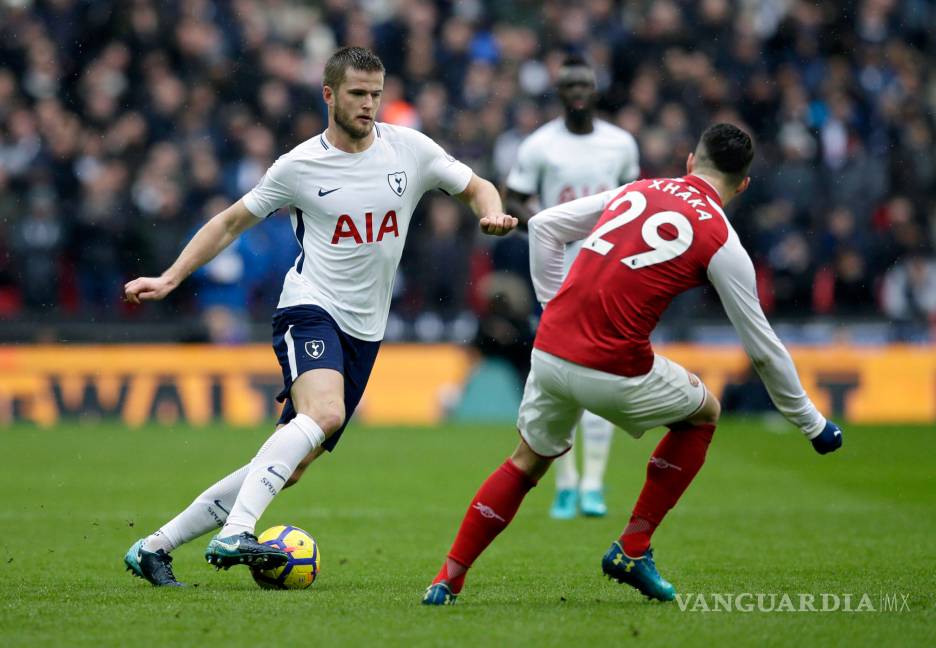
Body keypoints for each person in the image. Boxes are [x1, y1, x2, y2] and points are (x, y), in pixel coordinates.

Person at [121, 46, 517, 587]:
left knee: (294, 465)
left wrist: (490, 212)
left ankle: (154, 546)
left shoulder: (410, 151)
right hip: (309, 308)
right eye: (357, 94)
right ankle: (236, 530)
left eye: (376, 95)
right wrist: (170, 277)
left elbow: (476, 186)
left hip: (365, 331)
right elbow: (232, 222)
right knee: (325, 414)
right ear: (328, 94)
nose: (369, 105)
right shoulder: (300, 166)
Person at [422, 124, 843, 606]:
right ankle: (633, 546)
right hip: (612, 366)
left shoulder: (639, 189)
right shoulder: (721, 239)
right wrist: (812, 424)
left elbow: (543, 227)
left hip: (552, 349)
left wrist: (552, 303)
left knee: (525, 462)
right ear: (743, 185)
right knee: (703, 413)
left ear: (689, 162)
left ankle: (447, 578)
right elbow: (763, 348)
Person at [505, 55, 640, 519]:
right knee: (559, 377)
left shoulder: (620, 143)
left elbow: (636, 198)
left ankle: (592, 485)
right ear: (558, 93)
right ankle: (564, 484)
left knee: (603, 375)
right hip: (558, 271)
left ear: (595, 89)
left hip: (609, 270)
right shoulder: (539, 145)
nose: (578, 91)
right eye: (569, 84)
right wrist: (546, 226)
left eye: (585, 83)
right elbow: (514, 198)